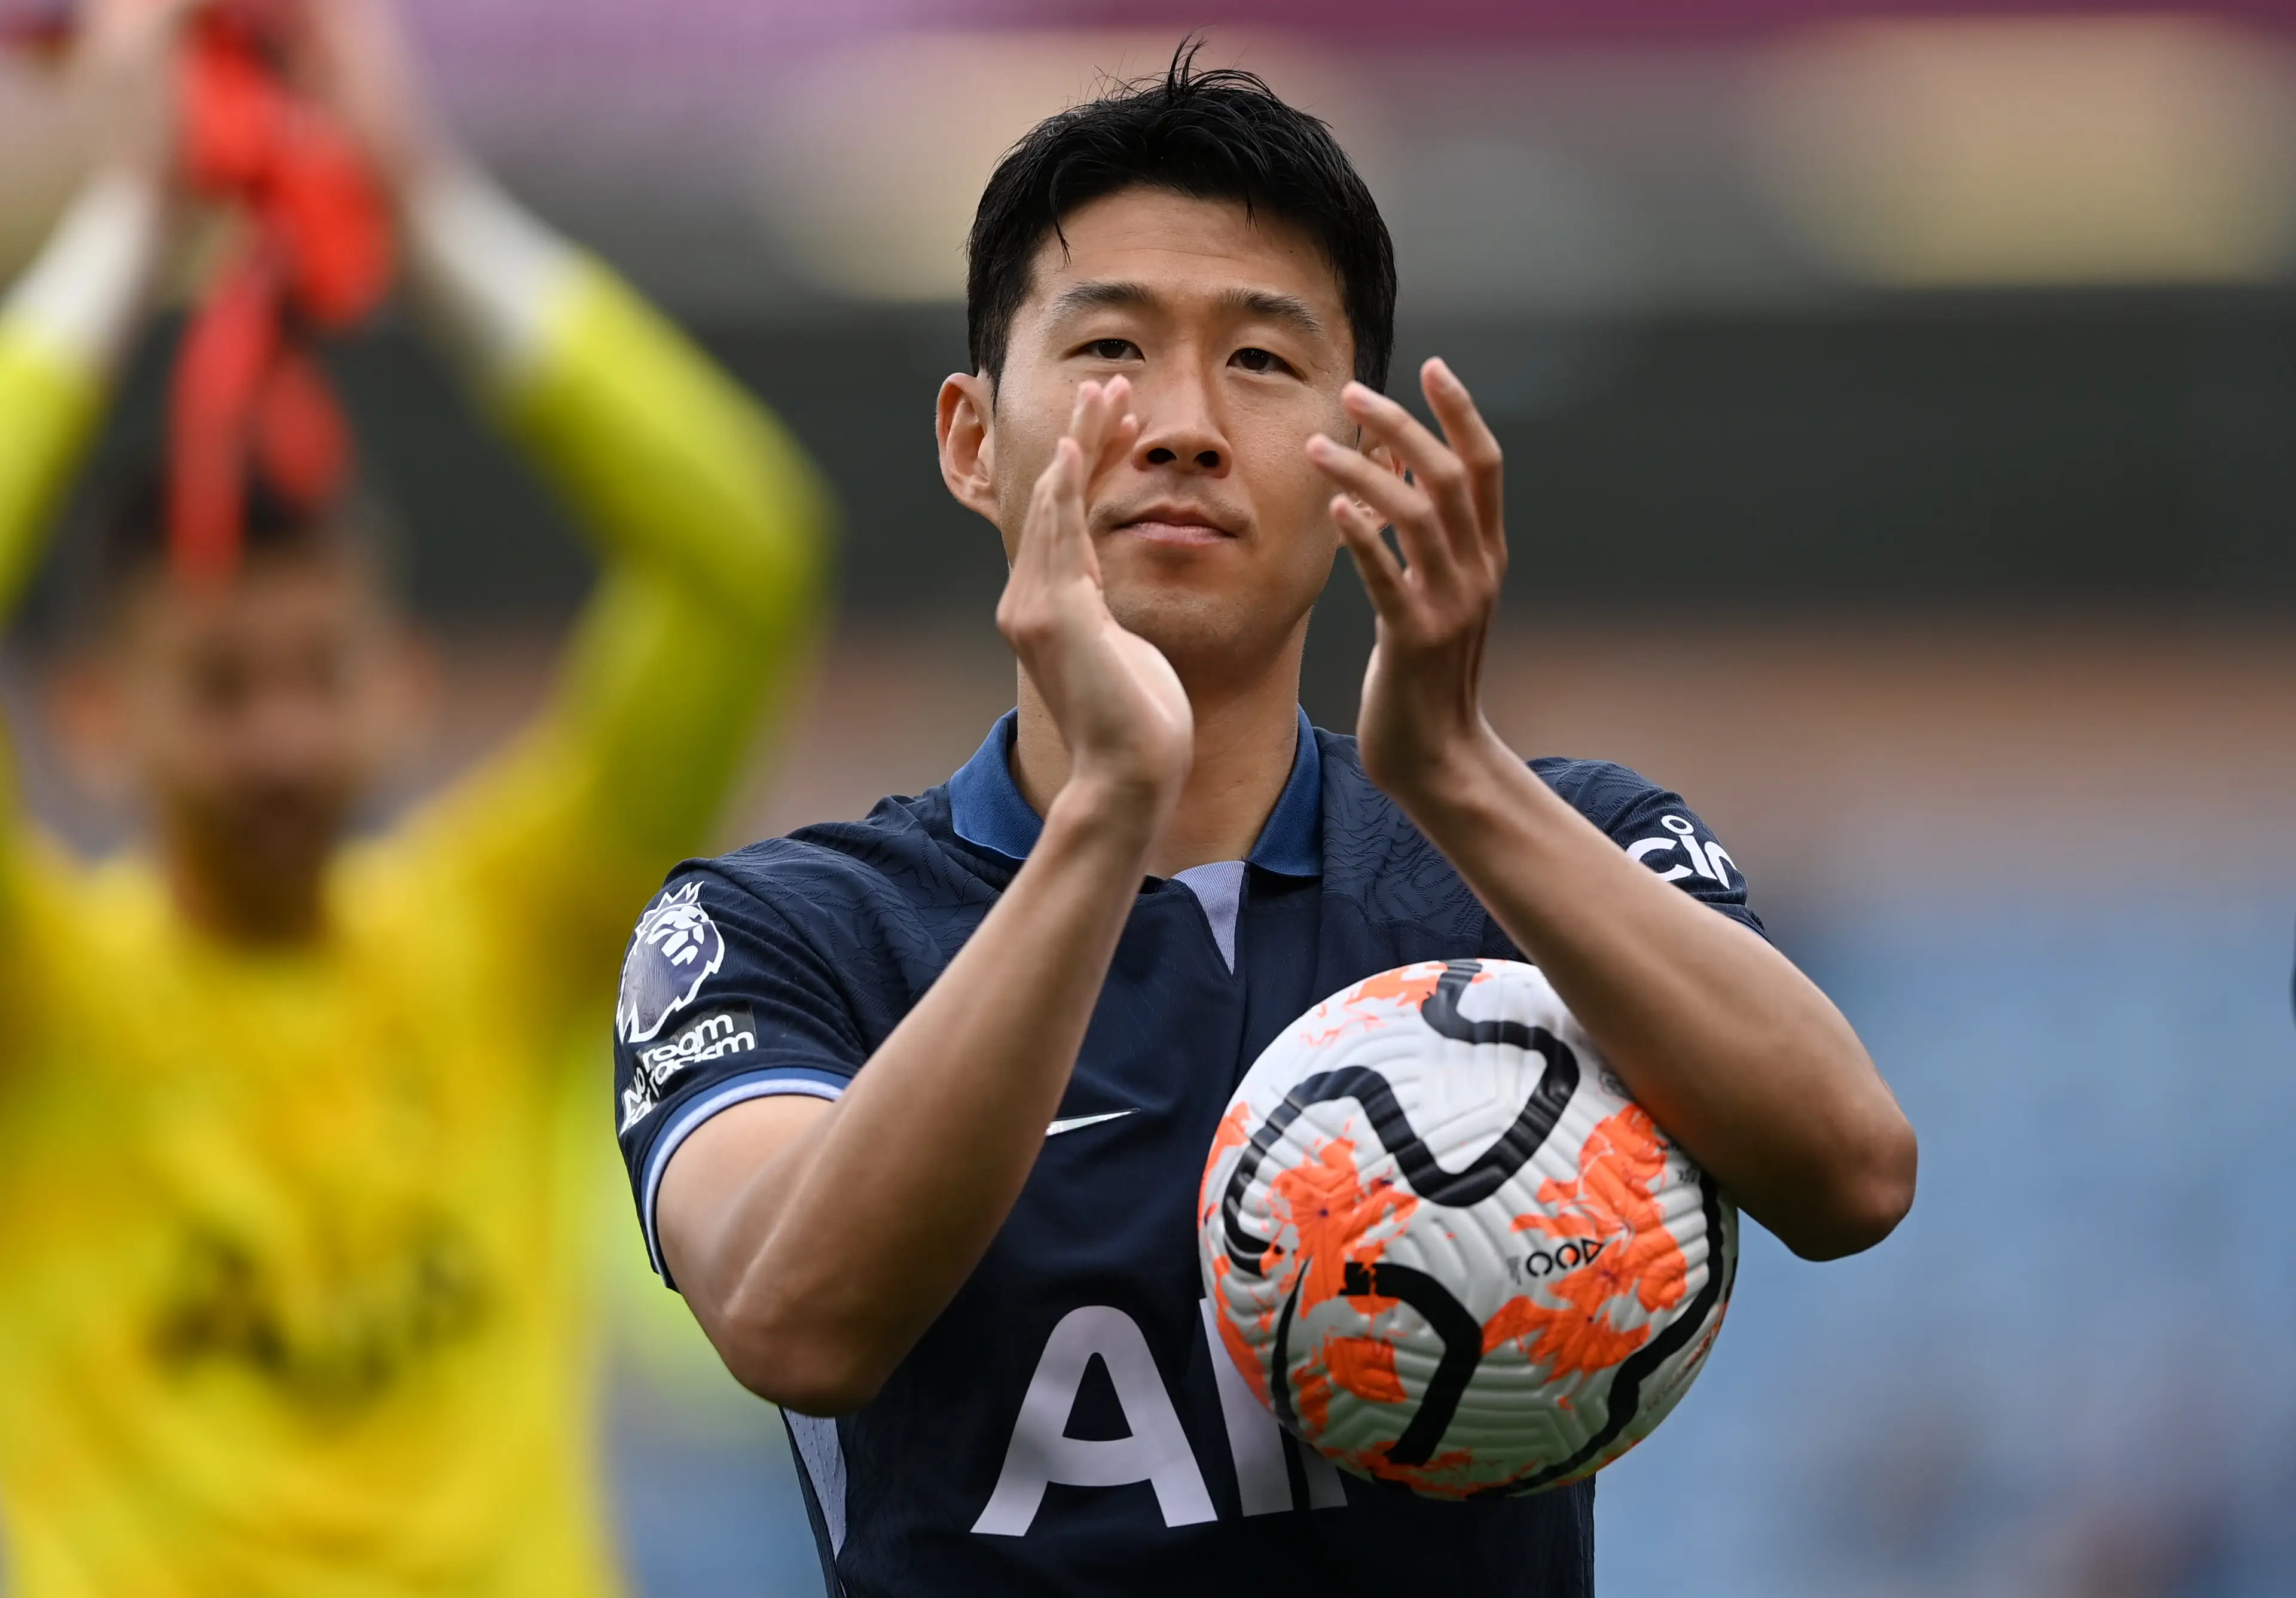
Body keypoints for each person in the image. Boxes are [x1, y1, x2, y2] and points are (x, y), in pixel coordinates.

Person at [618, 48, 1914, 1596]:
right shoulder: (782, 933)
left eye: (1261, 361)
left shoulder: (1552, 861)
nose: (1179, 424)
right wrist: (1106, 810)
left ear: (1359, 448)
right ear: (973, 439)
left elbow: (1853, 1178)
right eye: (1109, 348)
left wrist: (1459, 776)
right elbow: (793, 1319)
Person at [0, 1, 826, 1591]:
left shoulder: (510, 927)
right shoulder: (39, 1002)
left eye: (322, 675)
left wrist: (426, 206)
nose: (285, 739)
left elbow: (745, 561)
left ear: (404, 685)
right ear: (97, 716)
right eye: (224, 688)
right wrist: (128, 226)